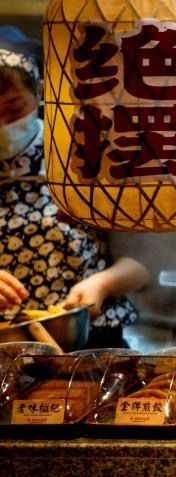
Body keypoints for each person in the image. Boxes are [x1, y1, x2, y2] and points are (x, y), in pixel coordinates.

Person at [0, 39, 150, 349]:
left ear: (39, 92)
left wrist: (102, 284)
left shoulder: (83, 152)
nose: (3, 124)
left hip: (93, 340)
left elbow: (142, 260)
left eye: (13, 108)